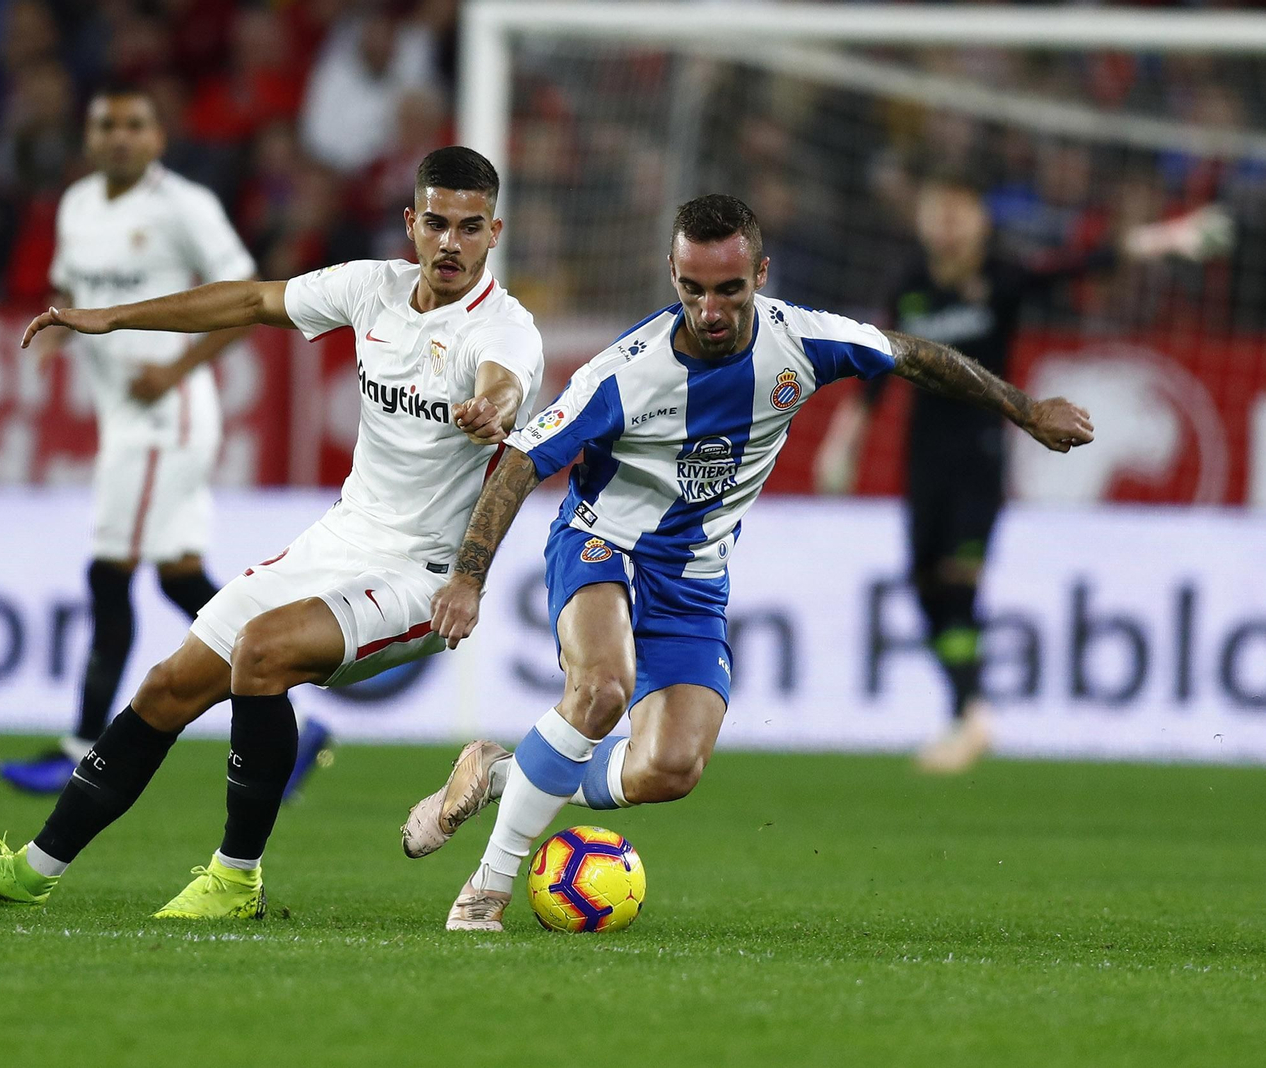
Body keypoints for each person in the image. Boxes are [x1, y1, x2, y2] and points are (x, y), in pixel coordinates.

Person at [404, 193, 1094, 932]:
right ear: (672, 276)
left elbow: (916, 356)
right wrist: (469, 577)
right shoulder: (624, 373)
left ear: (760, 275)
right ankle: (486, 889)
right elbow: (519, 462)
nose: (709, 309)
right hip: (603, 541)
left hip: (693, 577)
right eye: (692, 289)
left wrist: (1024, 410)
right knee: (602, 689)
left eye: (729, 289)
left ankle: (500, 774)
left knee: (669, 768)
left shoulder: (803, 342)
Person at [0, 146, 545, 921]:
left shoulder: (506, 331)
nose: (451, 243)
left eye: (471, 228)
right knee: (168, 686)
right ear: (411, 222)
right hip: (339, 540)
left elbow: (504, 385)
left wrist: (494, 408)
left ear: (495, 233)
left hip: (423, 574)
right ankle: (32, 869)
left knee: (262, 653)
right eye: (438, 223)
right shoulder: (371, 289)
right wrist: (114, 320)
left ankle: (235, 879)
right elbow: (249, 302)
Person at [811, 171, 1226, 774]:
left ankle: (970, 714)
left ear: (981, 219)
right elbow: (875, 369)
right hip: (923, 457)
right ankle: (965, 711)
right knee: (926, 586)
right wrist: (842, 442)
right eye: (936, 209)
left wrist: (1171, 237)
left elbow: (1088, 261)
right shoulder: (909, 284)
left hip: (981, 454)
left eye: (959, 209)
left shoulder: (1002, 277)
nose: (946, 222)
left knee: (958, 583)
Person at [0, 83, 259, 794]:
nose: (118, 136)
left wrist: (175, 365)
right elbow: (68, 291)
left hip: (165, 415)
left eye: (133, 124)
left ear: (156, 138)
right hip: (124, 415)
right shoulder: (77, 206)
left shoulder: (185, 207)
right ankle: (284, 710)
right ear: (89, 137)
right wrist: (54, 343)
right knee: (180, 577)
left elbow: (249, 299)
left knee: (109, 571)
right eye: (105, 124)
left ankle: (80, 743)